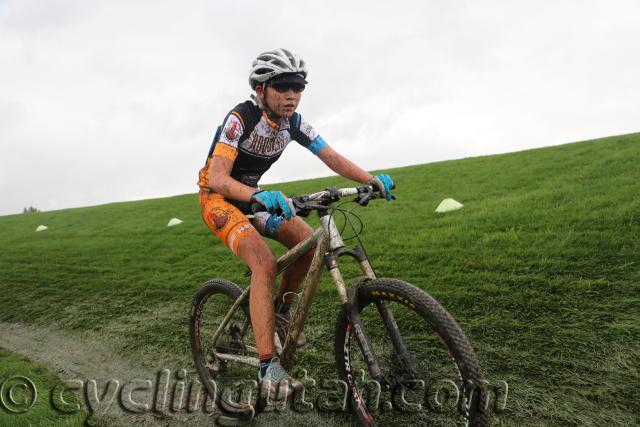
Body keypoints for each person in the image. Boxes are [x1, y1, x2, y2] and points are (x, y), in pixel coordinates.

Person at [197, 48, 395, 400]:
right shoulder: (239, 119)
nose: (292, 95)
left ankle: (280, 314)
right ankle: (267, 367)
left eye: (298, 86)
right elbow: (217, 178)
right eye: (283, 86)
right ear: (260, 88)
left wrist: (370, 179)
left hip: (253, 198)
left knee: (307, 244)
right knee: (264, 262)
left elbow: (330, 156)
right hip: (220, 200)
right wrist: (256, 196)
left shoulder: (294, 122)